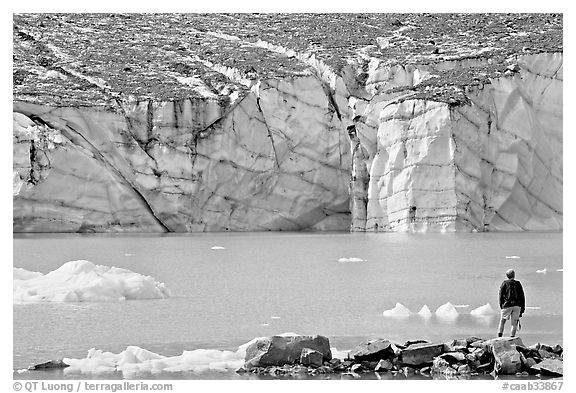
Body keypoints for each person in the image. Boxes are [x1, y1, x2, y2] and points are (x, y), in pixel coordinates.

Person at [497, 269, 525, 337]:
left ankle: (499, 336)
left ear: (507, 276)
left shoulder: (504, 283)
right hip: (517, 305)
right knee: (514, 323)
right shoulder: (518, 284)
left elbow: (500, 295)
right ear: (514, 275)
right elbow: (522, 296)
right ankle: (512, 337)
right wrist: (522, 308)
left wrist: (501, 305)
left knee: (502, 321)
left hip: (507, 305)